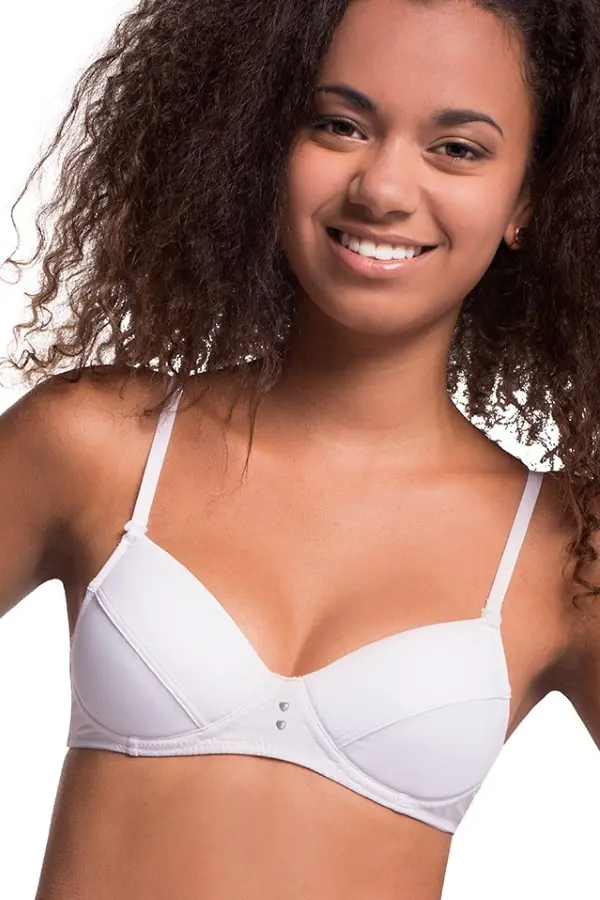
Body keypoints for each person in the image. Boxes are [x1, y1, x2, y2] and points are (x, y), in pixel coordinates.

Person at [2, 0, 600, 897]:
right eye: (340, 125)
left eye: (457, 148)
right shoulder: (97, 443)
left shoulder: (561, 555)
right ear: (262, 139)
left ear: (528, 200)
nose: (383, 188)